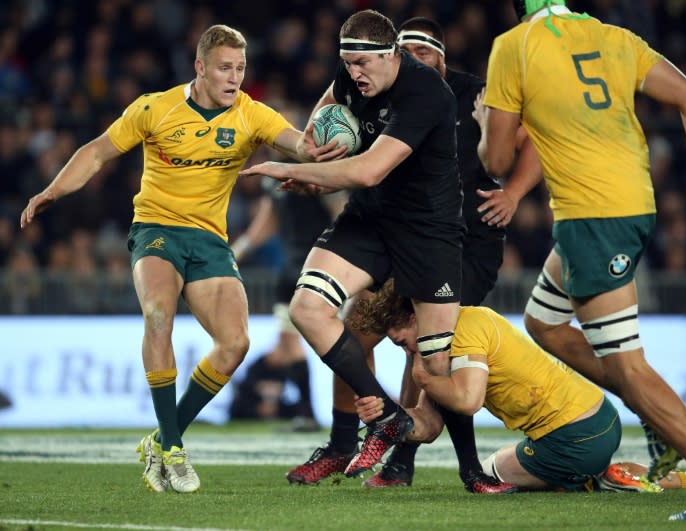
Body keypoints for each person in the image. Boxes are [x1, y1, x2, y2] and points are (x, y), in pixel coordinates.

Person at [19, 24, 343, 494]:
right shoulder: (155, 108)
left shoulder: (250, 114)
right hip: (156, 230)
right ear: (200, 68)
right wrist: (52, 190)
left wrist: (323, 144)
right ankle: (173, 447)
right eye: (225, 69)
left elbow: (297, 142)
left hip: (210, 240)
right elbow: (96, 153)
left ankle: (161, 439)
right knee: (157, 315)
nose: (234, 78)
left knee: (234, 345)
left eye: (240, 68)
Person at [477, 0, 686, 521]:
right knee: (544, 323)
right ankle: (652, 415)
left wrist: (483, 118)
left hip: (591, 218)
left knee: (627, 365)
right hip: (633, 203)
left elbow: (495, 162)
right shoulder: (614, 38)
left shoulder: (512, 47)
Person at [281, 16, 541, 493]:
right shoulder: (363, 80)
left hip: (455, 236)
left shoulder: (463, 94)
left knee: (428, 355)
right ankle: (347, 445)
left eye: (426, 54)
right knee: (355, 334)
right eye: (410, 50)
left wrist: (515, 194)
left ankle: (439, 464)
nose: (417, 60)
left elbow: (534, 142)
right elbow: (322, 127)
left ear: (440, 60)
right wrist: (308, 151)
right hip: (382, 222)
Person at [239, 9, 466, 478]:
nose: (353, 73)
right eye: (347, 62)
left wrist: (291, 169)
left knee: (435, 366)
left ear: (392, 55)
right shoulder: (351, 77)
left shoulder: (425, 91)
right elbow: (313, 130)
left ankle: (467, 468)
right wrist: (315, 153)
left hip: (428, 231)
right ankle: (383, 417)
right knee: (306, 310)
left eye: (363, 63)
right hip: (370, 219)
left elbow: (368, 170)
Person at [351, 279, 657, 493]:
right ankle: (657, 478)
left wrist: (423, 379)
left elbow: (468, 401)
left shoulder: (463, 333)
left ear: (415, 318)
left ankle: (588, 478)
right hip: (598, 418)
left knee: (492, 470)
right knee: (578, 470)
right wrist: (385, 413)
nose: (407, 352)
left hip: (573, 437)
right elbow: (428, 426)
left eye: (402, 342)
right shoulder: (460, 328)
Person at [230, 173, 348, 432]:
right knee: (288, 341)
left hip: (324, 266)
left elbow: (341, 214)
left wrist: (349, 261)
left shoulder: (317, 169)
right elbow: (265, 225)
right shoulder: (272, 177)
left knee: (348, 342)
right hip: (290, 270)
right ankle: (307, 413)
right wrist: (232, 256)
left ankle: (372, 407)